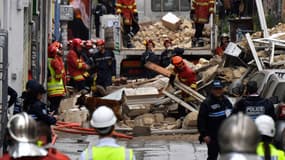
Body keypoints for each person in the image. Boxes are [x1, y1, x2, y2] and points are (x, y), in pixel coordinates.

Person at [198, 80, 233, 160]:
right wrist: (204, 135)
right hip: (212, 136)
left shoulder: (225, 100)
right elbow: (201, 120)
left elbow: (231, 114)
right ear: (212, 90)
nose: (218, 91)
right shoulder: (206, 103)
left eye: (219, 89)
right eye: (215, 89)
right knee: (212, 156)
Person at [47, 45, 66, 115]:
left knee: (52, 105)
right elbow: (58, 72)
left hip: (50, 89)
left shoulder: (47, 60)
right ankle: (54, 118)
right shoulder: (54, 61)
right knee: (55, 106)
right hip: (57, 89)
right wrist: (59, 76)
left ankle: (52, 117)